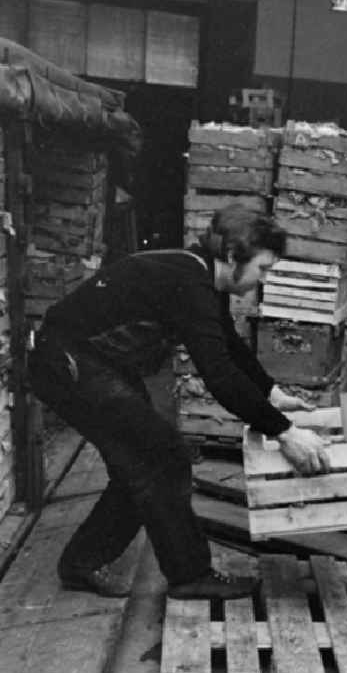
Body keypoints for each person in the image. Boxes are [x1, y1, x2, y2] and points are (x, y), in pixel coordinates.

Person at [28, 203, 330, 601]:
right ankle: (190, 574)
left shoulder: (201, 275)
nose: (263, 280)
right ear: (231, 257)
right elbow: (219, 375)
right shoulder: (192, 281)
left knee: (141, 461)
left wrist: (272, 394)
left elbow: (228, 344)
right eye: (263, 269)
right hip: (68, 363)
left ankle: (81, 563)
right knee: (163, 456)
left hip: (93, 360)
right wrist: (284, 433)